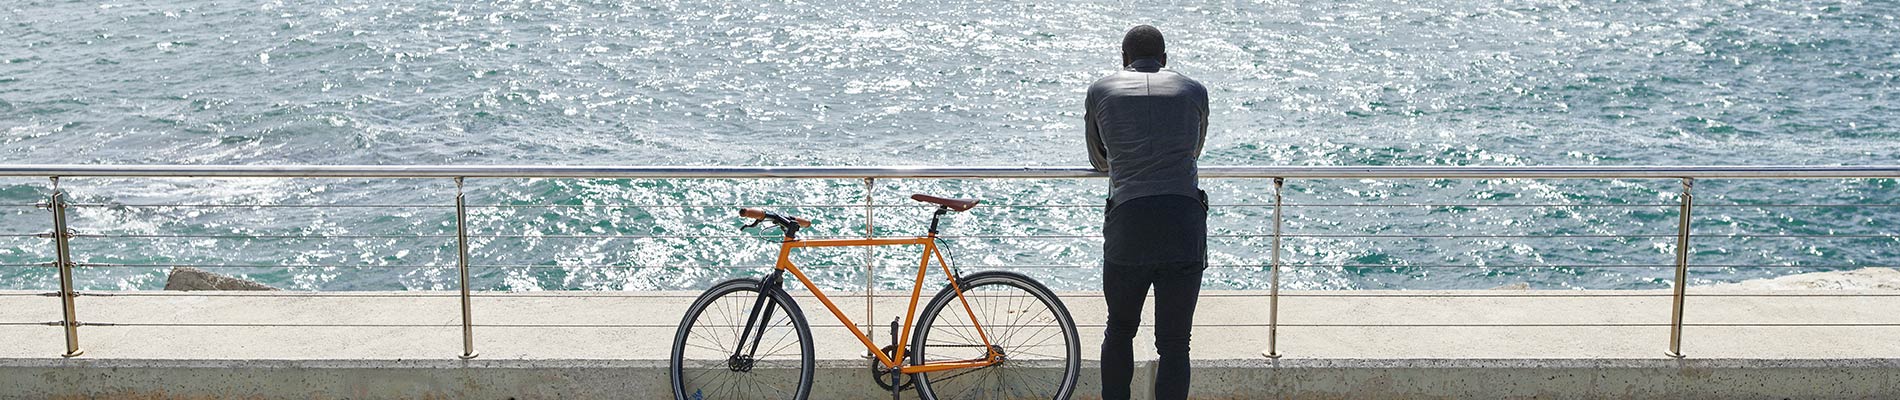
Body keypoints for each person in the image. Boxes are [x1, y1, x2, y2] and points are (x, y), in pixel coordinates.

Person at [1083, 25, 1209, 400]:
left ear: (1123, 60)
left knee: (1120, 329)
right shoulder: (1194, 90)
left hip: (1130, 220)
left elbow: (1097, 158)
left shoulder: (1101, 90)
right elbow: (1194, 150)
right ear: (1166, 60)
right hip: (1183, 219)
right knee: (1175, 342)